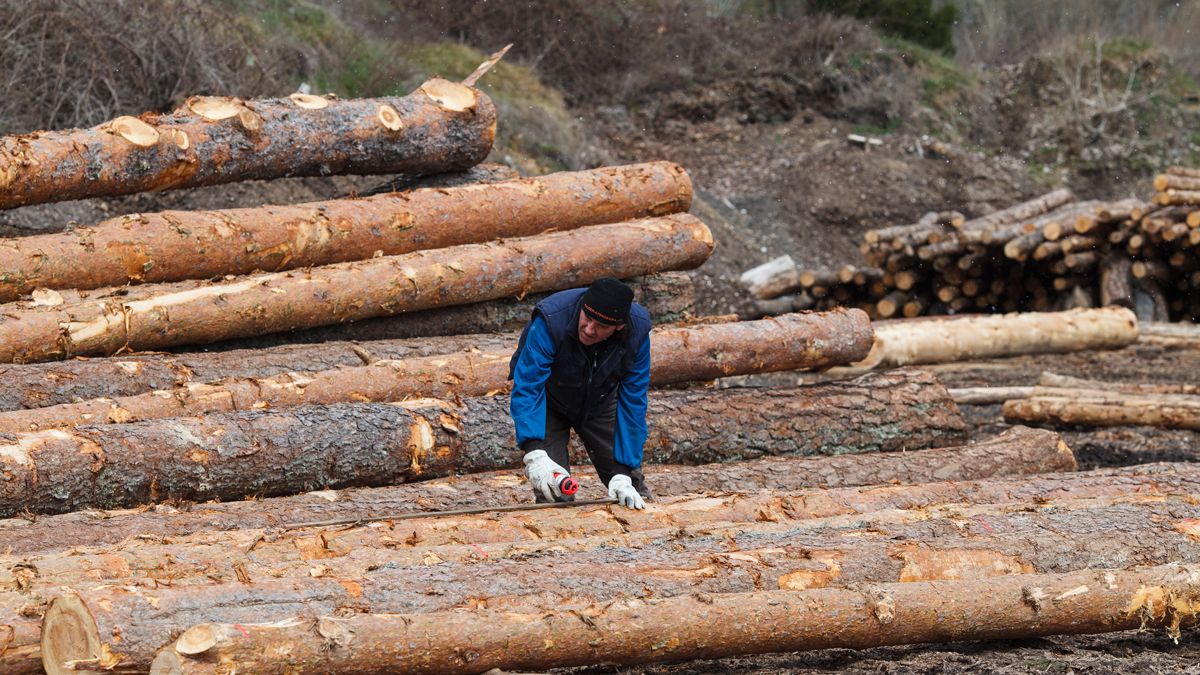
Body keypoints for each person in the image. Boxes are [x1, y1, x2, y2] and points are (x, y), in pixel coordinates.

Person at [508, 277, 653, 510]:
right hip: (549, 402)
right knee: (554, 490)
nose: (589, 329)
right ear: (583, 306)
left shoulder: (636, 333)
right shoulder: (552, 319)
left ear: (619, 327)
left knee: (632, 490)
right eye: (587, 318)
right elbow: (528, 384)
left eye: (601, 326)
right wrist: (534, 451)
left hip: (600, 401)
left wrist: (624, 470)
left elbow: (633, 401)